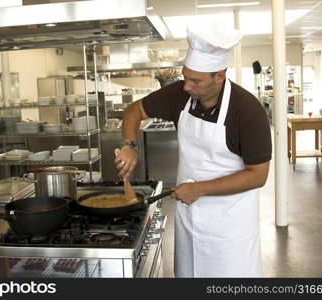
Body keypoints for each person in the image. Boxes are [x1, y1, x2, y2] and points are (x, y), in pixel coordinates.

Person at [115, 20, 272, 277]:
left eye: (195, 81)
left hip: (230, 225)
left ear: (219, 76)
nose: (187, 86)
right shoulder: (180, 94)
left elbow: (258, 175)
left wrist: (200, 188)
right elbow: (134, 110)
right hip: (189, 217)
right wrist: (129, 145)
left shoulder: (248, 110)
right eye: (185, 77)